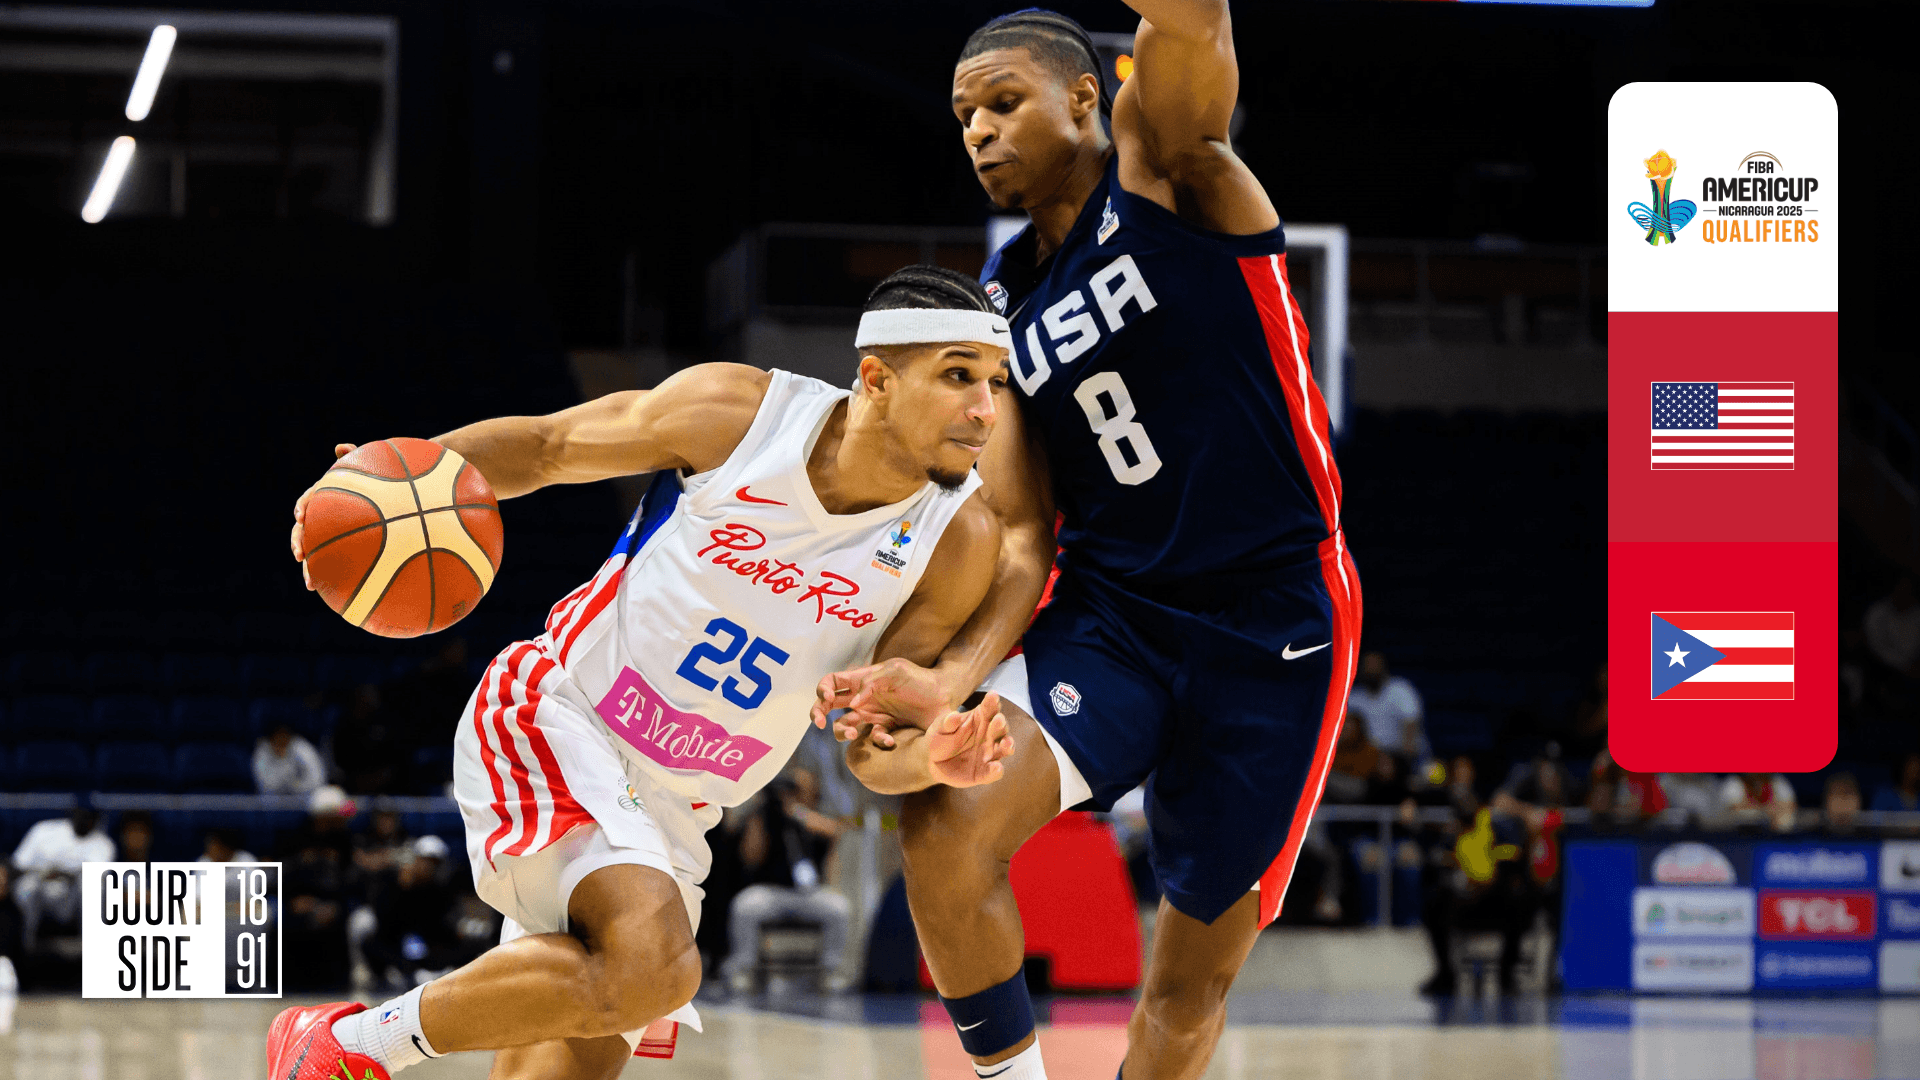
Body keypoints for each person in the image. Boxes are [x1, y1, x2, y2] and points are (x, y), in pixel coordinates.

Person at [268, 265, 1023, 1080]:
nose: (985, 410)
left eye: (995, 382)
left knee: (610, 1002)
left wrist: (930, 756)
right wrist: (391, 479)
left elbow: (871, 748)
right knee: (653, 968)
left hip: (680, 816)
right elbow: (548, 448)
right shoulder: (741, 416)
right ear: (876, 378)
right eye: (958, 376)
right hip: (564, 719)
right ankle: (347, 1044)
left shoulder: (957, 540)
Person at [815, 9, 1361, 1077]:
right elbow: (1024, 530)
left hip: (1273, 619)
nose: (978, 131)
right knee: (946, 820)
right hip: (1116, 616)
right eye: (964, 116)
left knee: (1186, 993)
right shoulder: (996, 309)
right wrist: (950, 680)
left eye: (1002, 102)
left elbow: (1194, 22)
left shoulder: (1169, 171)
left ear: (1082, 98)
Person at [720, 767, 853, 992]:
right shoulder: (765, 815)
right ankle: (743, 968)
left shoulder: (810, 815)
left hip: (808, 895)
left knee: (838, 908)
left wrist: (796, 812)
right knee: (745, 906)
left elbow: (834, 831)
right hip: (772, 892)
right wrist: (761, 810)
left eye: (797, 787)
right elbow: (750, 856)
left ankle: (832, 971)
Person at [9, 803, 114, 951]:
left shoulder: (103, 843)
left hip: (71, 898)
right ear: (73, 813)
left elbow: (99, 878)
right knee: (27, 886)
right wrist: (43, 873)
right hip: (42, 892)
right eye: (82, 814)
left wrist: (63, 873)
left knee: (90, 883)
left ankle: (92, 947)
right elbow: (18, 866)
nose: (85, 820)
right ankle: (24, 945)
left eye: (90, 817)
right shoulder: (44, 830)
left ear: (96, 819)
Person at [1348, 652, 1428, 762]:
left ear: (1383, 666)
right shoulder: (1354, 697)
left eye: (1374, 665)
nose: (1371, 670)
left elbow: (1411, 723)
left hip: (1402, 755)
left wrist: (1405, 757)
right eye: (1367, 666)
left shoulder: (1401, 689)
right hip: (1368, 757)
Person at [1864, 576, 1920, 677]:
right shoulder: (1878, 613)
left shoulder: (1916, 615)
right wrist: (1905, 667)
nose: (1904, 594)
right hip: (1881, 669)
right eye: (1901, 589)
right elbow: (1877, 648)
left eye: (1908, 591)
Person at [253, 721, 328, 796]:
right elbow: (264, 786)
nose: (281, 741)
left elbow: (318, 780)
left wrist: (297, 786)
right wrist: (285, 773)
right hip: (272, 799)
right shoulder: (263, 751)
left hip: (305, 797)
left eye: (284, 737)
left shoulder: (301, 748)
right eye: (277, 738)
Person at [1716, 772, 1798, 832]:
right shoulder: (1734, 783)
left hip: (1770, 836)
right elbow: (1733, 810)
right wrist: (1767, 810)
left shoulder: (1777, 782)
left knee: (1785, 820)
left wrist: (1760, 810)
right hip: (1735, 837)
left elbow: (1790, 806)